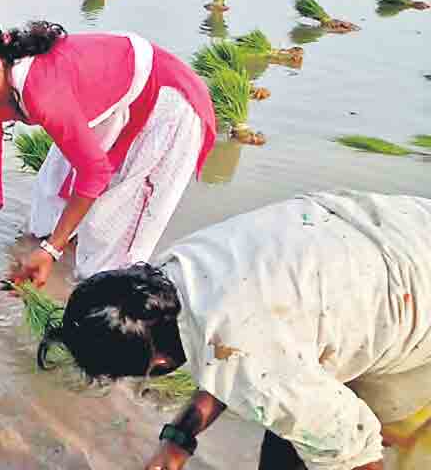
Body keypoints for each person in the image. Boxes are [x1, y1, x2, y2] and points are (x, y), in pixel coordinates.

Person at [41, 190, 431, 470]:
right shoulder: (177, 271)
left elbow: (351, 447)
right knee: (295, 425)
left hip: (415, 294)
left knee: (363, 439)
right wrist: (178, 442)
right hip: (400, 231)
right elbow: (229, 349)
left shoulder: (252, 364)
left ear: (158, 361)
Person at [0, 17, 216, 304]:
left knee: (110, 243)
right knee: (48, 205)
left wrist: (52, 249)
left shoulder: (43, 90)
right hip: (103, 97)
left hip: (165, 101)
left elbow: (94, 174)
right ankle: (49, 287)